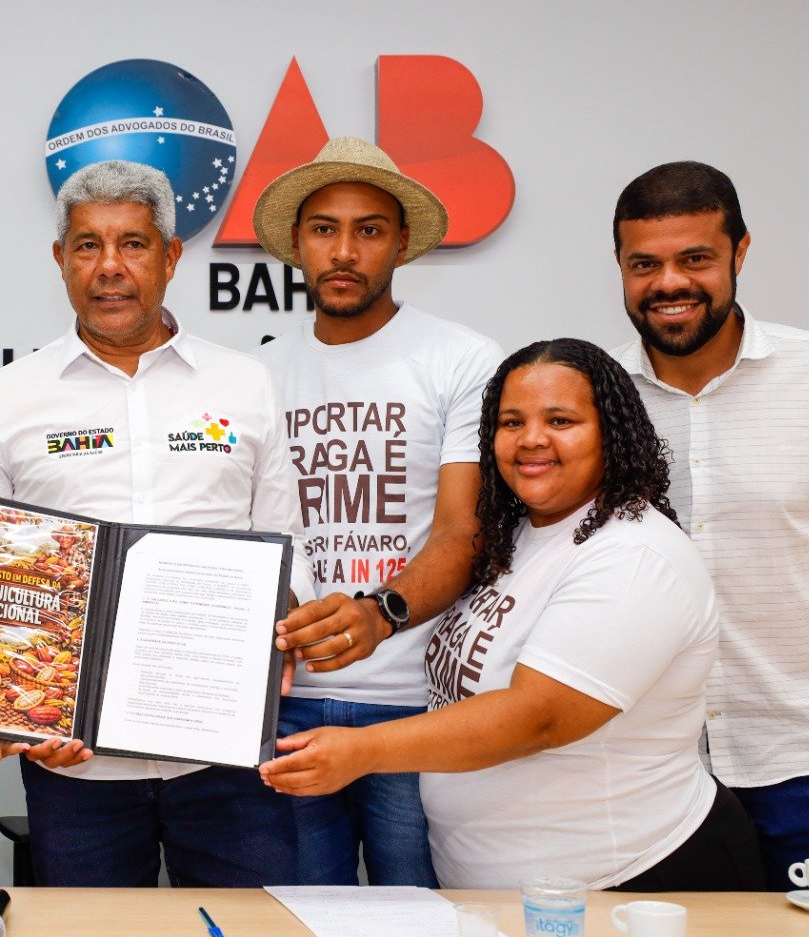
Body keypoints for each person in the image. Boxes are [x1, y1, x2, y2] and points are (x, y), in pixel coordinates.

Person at [260, 339, 765, 890]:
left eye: (561, 420)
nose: (531, 439)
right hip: (517, 899)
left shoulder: (635, 554)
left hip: (630, 884)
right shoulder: (522, 536)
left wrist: (362, 750)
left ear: (611, 433)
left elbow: (539, 715)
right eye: (511, 421)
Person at [0, 159, 307, 888]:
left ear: (172, 256)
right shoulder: (6, 398)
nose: (109, 268)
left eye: (133, 244)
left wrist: (285, 632)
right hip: (77, 763)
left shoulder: (244, 384)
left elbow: (285, 542)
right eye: (87, 246)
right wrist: (10, 714)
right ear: (60, 260)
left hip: (228, 753)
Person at [611, 161, 809, 879]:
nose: (670, 283)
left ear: (740, 252)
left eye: (694, 258)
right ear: (620, 267)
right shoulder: (594, 402)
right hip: (652, 774)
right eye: (645, 264)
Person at [251, 137, 501, 885]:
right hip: (289, 705)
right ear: (298, 242)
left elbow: (464, 531)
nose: (345, 250)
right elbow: (246, 537)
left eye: (369, 230)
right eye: (325, 228)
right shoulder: (255, 374)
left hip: (421, 707)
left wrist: (378, 612)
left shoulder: (463, 360)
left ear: (400, 244)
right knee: (301, 928)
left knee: (424, 926)